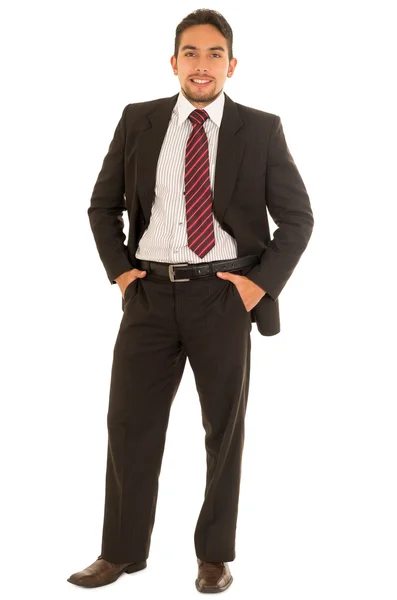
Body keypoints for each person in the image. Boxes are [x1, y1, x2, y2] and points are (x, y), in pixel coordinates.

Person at [67, 8, 314, 594]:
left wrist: (257, 286)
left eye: (213, 54)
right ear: (173, 61)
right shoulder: (139, 120)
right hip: (148, 296)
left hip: (222, 299)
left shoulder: (261, 128)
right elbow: (102, 207)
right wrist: (124, 277)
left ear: (232, 64)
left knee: (222, 429)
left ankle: (214, 556)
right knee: (129, 423)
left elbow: (298, 218)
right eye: (191, 53)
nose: (201, 65)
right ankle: (121, 552)